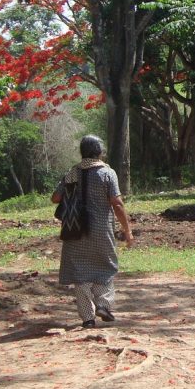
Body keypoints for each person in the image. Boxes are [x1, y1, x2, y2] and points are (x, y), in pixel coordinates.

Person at [51, 135, 133, 328]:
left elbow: (55, 198)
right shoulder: (107, 173)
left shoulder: (72, 173)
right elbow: (117, 203)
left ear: (82, 152)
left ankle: (88, 318)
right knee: (105, 267)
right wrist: (127, 230)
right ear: (100, 152)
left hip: (75, 230)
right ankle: (103, 304)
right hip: (101, 230)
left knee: (80, 275)